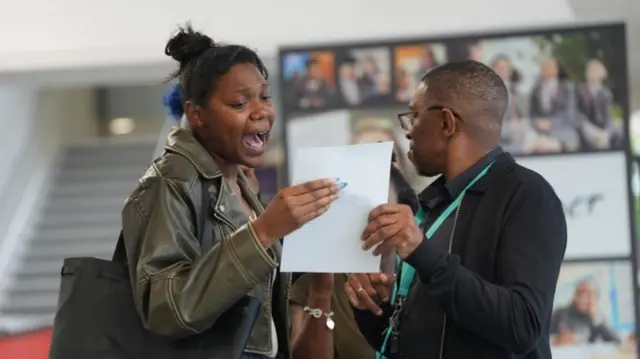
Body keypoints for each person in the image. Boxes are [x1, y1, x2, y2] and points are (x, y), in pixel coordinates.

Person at [121, 24, 341, 359]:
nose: (262, 112)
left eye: (265, 97)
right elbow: (166, 310)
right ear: (197, 116)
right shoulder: (170, 182)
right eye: (240, 103)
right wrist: (265, 230)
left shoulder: (240, 185)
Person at [345, 60, 567, 359]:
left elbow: (523, 326)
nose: (408, 132)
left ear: (447, 122)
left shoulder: (526, 195)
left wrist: (423, 254)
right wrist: (371, 307)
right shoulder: (434, 204)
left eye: (414, 116)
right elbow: (404, 341)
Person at [288, 157, 420, 359]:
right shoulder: (313, 285)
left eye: (380, 203)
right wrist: (322, 293)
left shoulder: (421, 277)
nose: (370, 215)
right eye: (357, 203)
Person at [550, 279, 620, 346]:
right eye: (580, 293)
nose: (583, 297)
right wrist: (557, 338)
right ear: (574, 295)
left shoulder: (598, 317)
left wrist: (595, 317)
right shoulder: (560, 313)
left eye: (589, 294)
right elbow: (544, 337)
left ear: (595, 298)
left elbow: (616, 341)